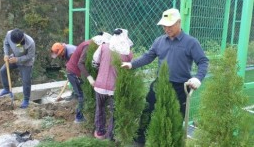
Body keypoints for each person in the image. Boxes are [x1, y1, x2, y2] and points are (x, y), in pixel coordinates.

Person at [121, 8, 209, 145]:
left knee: (175, 118)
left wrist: (198, 77)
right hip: (159, 83)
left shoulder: (191, 42)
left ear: (179, 22)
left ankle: (172, 142)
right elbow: (148, 57)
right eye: (164, 26)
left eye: (170, 25)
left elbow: (203, 61)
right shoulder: (159, 41)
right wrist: (131, 64)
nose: (166, 28)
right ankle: (139, 140)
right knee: (147, 111)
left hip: (180, 87)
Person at [92, 28, 133, 140]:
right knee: (114, 112)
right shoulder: (127, 52)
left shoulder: (104, 46)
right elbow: (130, 69)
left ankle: (100, 133)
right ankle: (111, 136)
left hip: (99, 85)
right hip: (115, 88)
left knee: (99, 109)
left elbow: (95, 61)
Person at [66, 32, 111, 123]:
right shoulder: (88, 46)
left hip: (76, 72)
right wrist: (89, 78)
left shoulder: (93, 44)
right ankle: (79, 118)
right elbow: (80, 63)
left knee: (82, 95)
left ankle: (82, 112)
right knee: (82, 96)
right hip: (73, 72)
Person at [0, 28, 36, 109]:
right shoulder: (9, 34)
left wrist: (18, 59)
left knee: (26, 81)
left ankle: (26, 99)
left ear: (22, 37)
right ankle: (7, 89)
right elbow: (6, 43)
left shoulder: (30, 42)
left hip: (26, 62)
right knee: (3, 70)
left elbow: (30, 56)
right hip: (14, 57)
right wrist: (6, 54)